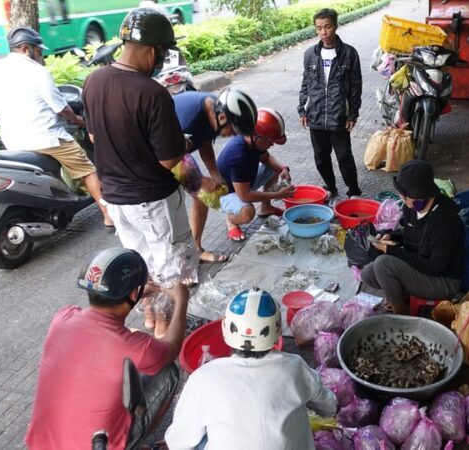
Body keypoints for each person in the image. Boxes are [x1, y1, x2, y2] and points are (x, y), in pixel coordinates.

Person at [82, 8, 205, 326]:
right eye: (165, 52)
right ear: (154, 50)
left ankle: (150, 319)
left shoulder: (93, 81)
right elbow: (169, 160)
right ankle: (165, 337)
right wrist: (187, 145)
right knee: (169, 271)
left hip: (118, 201)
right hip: (153, 202)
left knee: (140, 267)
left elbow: (95, 136)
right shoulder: (152, 93)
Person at [25, 248, 187, 449]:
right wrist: (181, 301)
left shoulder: (63, 317)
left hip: (42, 443)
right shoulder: (133, 347)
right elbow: (171, 347)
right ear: (134, 292)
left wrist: (133, 292)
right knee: (167, 371)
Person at [164, 289, 337, 449]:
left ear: (226, 328)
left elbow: (178, 442)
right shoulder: (294, 367)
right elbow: (329, 406)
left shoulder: (202, 378)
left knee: (199, 436)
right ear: (277, 330)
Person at [0, 26, 112, 226]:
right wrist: (79, 121)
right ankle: (108, 215)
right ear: (26, 49)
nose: (40, 54)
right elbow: (61, 108)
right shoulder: (37, 71)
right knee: (87, 170)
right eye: (39, 50)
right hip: (45, 138)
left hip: (11, 139)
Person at [361, 160, 465, 314]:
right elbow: (412, 233)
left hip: (443, 280)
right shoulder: (412, 207)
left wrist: (391, 250)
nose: (401, 197)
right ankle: (401, 294)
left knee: (384, 264)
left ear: (417, 196)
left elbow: (436, 267)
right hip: (421, 266)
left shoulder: (445, 221)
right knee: (368, 274)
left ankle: (401, 315)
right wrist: (392, 236)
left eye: (404, 195)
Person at [172, 88, 258, 262]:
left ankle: (195, 249)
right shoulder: (189, 120)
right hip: (158, 156)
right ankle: (180, 265)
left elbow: (204, 142)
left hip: (178, 151)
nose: (233, 136)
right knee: (173, 208)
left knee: (203, 196)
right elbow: (169, 156)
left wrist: (215, 174)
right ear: (222, 118)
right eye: (234, 131)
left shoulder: (215, 110)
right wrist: (201, 180)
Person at [298, 8, 363, 199]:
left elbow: (355, 87)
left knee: (344, 157)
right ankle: (330, 187)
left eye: (327, 27)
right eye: (319, 28)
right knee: (321, 158)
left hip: (338, 115)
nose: (323, 32)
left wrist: (353, 114)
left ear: (335, 26)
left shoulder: (349, 54)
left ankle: (354, 191)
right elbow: (306, 83)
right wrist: (302, 109)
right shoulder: (310, 54)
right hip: (316, 114)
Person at [217, 108, 296, 242]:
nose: (272, 144)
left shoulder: (253, 142)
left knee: (274, 168)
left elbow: (266, 159)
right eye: (270, 140)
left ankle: (265, 207)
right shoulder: (238, 154)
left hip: (243, 183)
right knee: (248, 212)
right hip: (225, 193)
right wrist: (279, 194)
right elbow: (245, 195)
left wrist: (283, 169)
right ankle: (231, 220)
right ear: (257, 136)